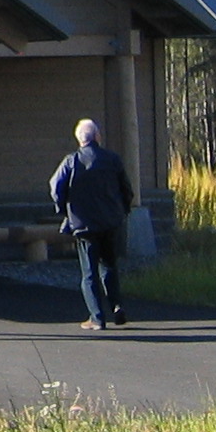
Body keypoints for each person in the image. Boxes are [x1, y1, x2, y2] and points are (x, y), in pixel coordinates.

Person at [50, 117, 136, 331]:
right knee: (109, 266)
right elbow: (127, 189)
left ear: (80, 140)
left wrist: (64, 209)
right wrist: (123, 210)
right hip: (110, 221)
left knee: (89, 272)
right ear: (97, 136)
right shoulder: (112, 159)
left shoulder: (72, 161)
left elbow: (55, 186)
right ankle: (116, 306)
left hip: (84, 224)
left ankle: (96, 317)